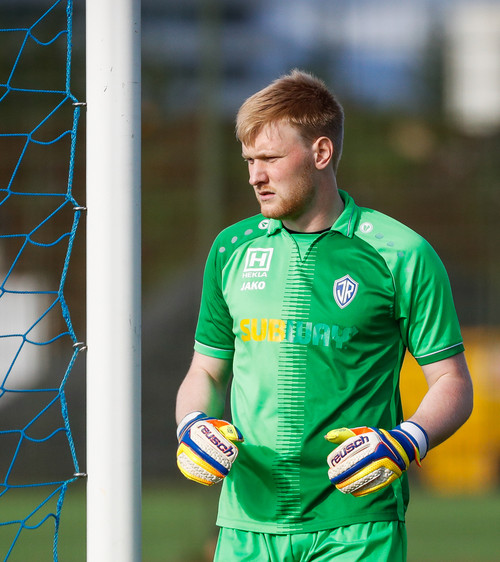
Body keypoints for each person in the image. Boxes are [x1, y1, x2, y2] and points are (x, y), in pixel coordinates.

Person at [174, 69, 474, 561]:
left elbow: (452, 382)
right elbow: (205, 370)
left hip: (357, 525)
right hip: (246, 523)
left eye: (270, 159)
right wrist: (192, 425)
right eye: (249, 160)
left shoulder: (402, 253)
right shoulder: (230, 249)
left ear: (321, 153)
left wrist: (406, 442)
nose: (255, 176)